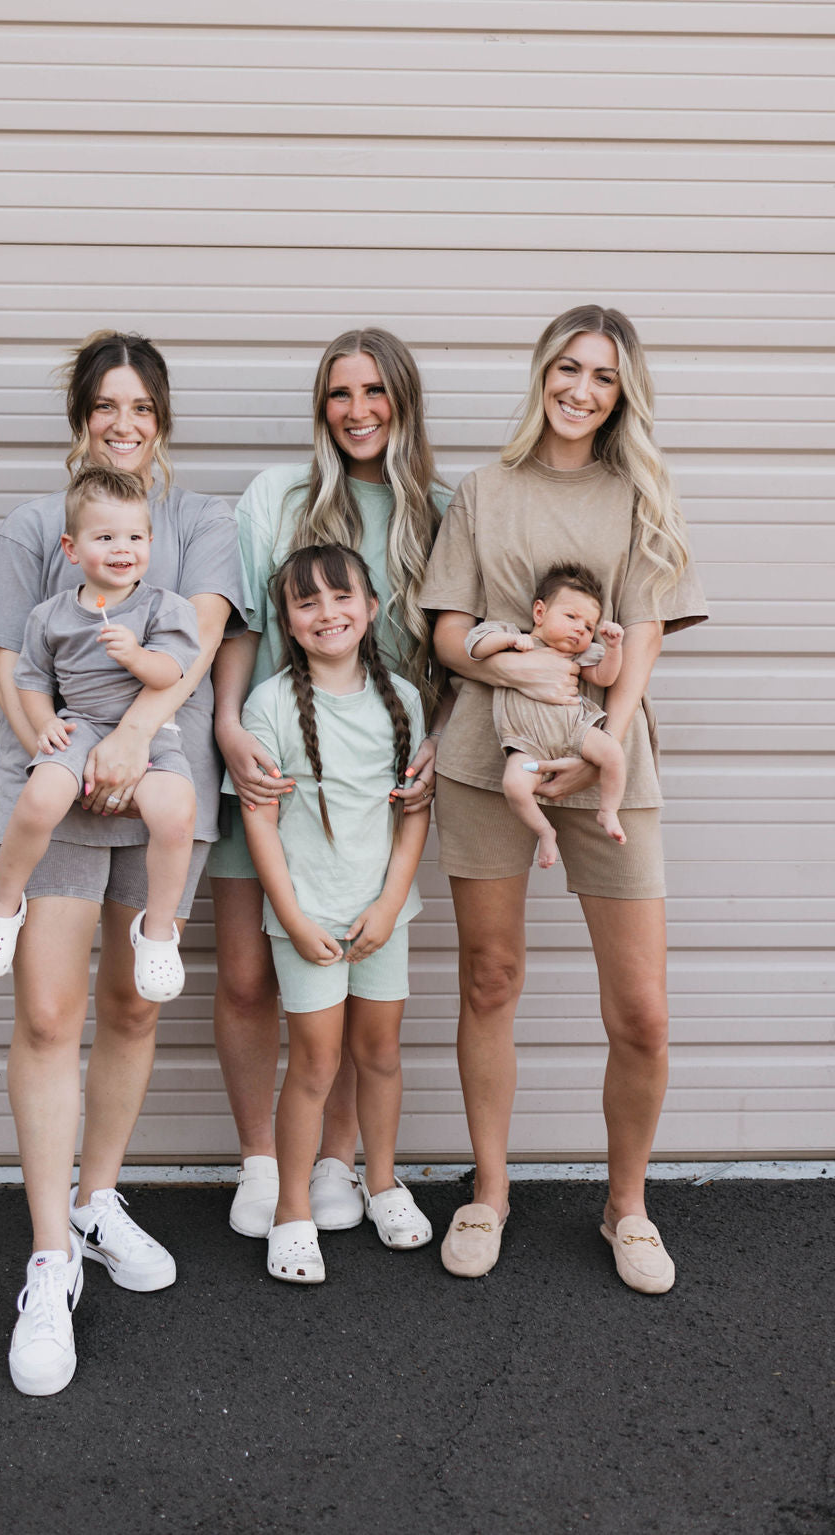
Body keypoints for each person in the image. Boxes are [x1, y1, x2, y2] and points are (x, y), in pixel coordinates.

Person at [0, 331, 244, 1395]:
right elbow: (10, 659)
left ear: (161, 417)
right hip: (61, 783)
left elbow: (203, 638)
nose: (122, 423)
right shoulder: (40, 526)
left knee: (133, 1006)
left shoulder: (201, 521)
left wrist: (134, 740)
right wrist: (66, 749)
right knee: (45, 1014)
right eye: (103, 407)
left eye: (140, 407)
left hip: (159, 777)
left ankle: (97, 1197)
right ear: (79, 417)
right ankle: (48, 1259)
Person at [420, 305, 707, 1293]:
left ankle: (626, 1203)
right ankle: (489, 1190)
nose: (581, 390)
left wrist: (604, 744)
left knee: (642, 1014)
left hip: (608, 763)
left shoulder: (639, 497)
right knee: (489, 979)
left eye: (602, 376)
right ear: (542, 371)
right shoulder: (484, 491)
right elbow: (447, 633)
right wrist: (512, 663)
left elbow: (645, 635)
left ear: (622, 392)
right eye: (568, 368)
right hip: (486, 757)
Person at [209, 328, 452, 1242]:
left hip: (376, 790)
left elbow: (456, 646)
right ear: (322, 405)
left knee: (354, 972)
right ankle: (261, 1162)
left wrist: (443, 737)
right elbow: (236, 626)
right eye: (340, 393)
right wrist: (230, 726)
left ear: (404, 400)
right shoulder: (278, 497)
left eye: (375, 392)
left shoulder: (437, 507)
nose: (358, 411)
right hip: (272, 772)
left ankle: (339, 1159)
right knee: (243, 977)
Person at [237, 544, 432, 1283]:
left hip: (381, 916)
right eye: (306, 602)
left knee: (379, 1053)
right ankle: (292, 1210)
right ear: (287, 621)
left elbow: (415, 813)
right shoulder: (272, 704)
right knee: (315, 1062)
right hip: (308, 918)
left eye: (341, 597)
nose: (327, 613)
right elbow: (260, 822)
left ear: (373, 606)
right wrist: (290, 916)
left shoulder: (404, 701)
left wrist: (388, 904)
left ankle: (379, 1183)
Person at [0, 465, 202, 999]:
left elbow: (173, 673)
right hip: (80, 727)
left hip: (149, 735)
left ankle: (157, 932)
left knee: (177, 810)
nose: (123, 548)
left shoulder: (164, 607)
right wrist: (46, 720)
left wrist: (137, 656)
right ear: (72, 549)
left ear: (151, 543)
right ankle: (3, 906)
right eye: (106, 537)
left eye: (135, 537)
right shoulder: (51, 616)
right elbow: (30, 679)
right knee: (41, 798)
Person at [466, 562, 626, 869]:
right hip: (526, 743)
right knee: (514, 784)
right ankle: (544, 831)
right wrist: (509, 642)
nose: (581, 628)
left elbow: (605, 677)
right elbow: (474, 647)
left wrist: (614, 648)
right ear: (539, 612)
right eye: (571, 617)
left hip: (575, 731)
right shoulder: (512, 639)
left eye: (589, 626)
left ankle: (608, 810)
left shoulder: (579, 654)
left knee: (613, 753)